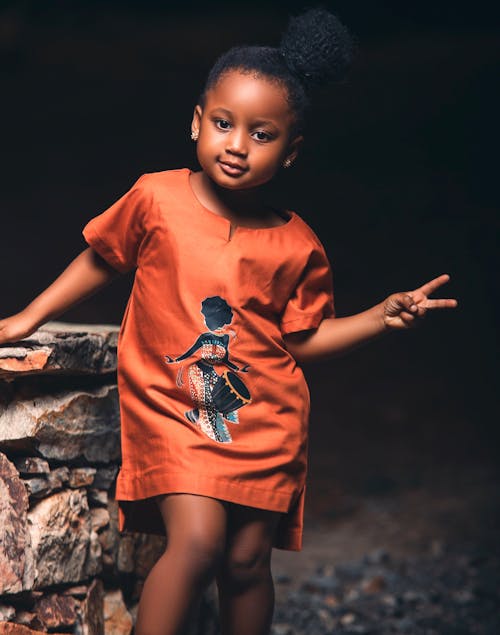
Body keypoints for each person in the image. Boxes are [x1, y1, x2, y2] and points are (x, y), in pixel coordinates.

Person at [0, 8, 457, 635]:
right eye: (224, 123)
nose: (238, 145)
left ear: (291, 152)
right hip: (175, 408)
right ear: (196, 123)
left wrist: (380, 317)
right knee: (197, 544)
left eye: (262, 134)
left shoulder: (298, 245)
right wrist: (30, 315)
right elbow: (102, 258)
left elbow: (302, 339)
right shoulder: (156, 198)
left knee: (246, 563)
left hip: (266, 421)